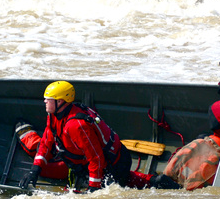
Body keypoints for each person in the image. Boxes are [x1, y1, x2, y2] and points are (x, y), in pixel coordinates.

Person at [17, 81, 155, 191]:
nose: (45, 101)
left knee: (123, 183)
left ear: (60, 102)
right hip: (79, 161)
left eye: (49, 99)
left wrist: (93, 189)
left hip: (114, 164)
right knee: (41, 165)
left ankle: (153, 182)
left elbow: (96, 158)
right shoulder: (54, 116)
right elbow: (46, 143)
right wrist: (34, 170)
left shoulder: (76, 125)